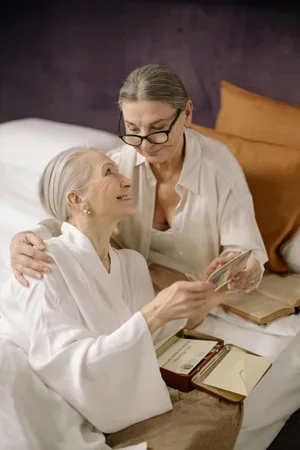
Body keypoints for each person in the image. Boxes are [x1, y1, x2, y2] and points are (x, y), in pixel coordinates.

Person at [0, 146, 242, 450]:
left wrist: (210, 297)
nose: (126, 181)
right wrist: (156, 311)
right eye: (108, 173)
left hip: (94, 402)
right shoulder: (41, 262)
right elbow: (68, 369)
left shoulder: (130, 263)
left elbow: (147, 340)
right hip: (25, 390)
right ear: (76, 199)